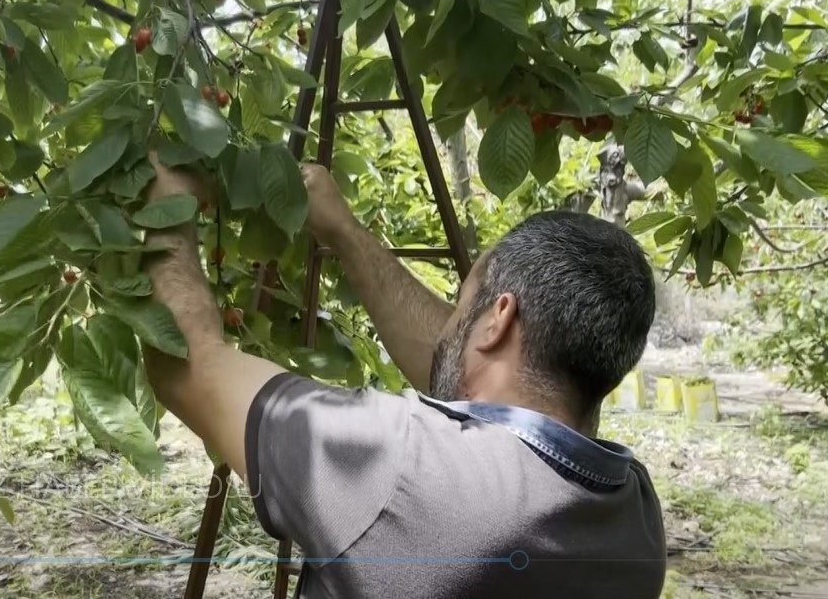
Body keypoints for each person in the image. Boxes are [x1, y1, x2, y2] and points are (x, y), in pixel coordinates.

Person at [139, 152, 667, 599]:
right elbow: (463, 368)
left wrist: (168, 206)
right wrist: (344, 232)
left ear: (498, 320)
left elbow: (187, 363)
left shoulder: (397, 464)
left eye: (461, 303)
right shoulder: (635, 518)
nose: (449, 320)